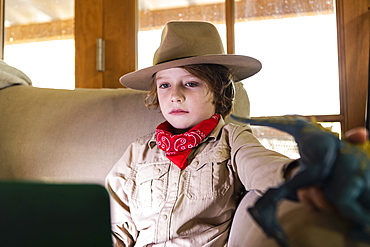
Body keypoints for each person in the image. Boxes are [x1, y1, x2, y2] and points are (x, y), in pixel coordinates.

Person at [105, 21, 365, 246]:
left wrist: (304, 173)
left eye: (191, 83)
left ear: (219, 92)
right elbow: (114, 224)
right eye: (164, 85)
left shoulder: (232, 139)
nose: (175, 95)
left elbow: (263, 165)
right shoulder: (138, 153)